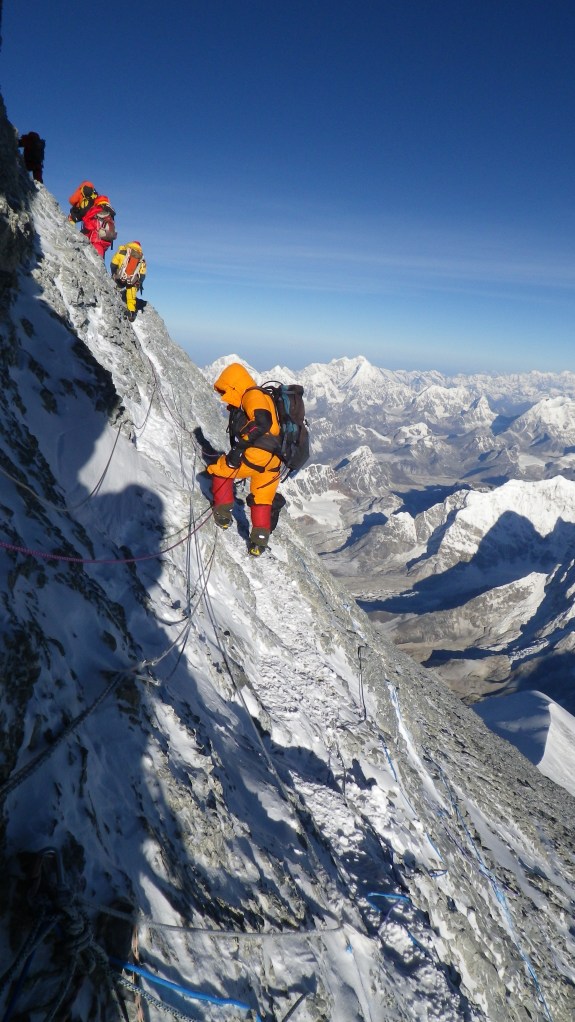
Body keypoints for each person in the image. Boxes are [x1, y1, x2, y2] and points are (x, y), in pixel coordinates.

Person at [206, 362, 285, 556]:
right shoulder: (265, 397)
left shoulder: (252, 395)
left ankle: (222, 515)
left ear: (234, 384)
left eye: (226, 390)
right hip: (275, 459)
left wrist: (238, 450)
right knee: (263, 498)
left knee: (221, 469)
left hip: (256, 454)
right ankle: (258, 543)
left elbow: (262, 421)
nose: (224, 396)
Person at [72, 192, 117, 258]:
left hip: (95, 241)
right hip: (104, 243)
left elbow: (88, 225)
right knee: (100, 262)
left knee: (94, 262)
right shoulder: (110, 215)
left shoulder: (97, 210)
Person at [110, 241, 146, 322]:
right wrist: (139, 283)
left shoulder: (122, 251)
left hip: (120, 277)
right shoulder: (141, 258)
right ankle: (131, 312)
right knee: (131, 296)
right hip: (132, 281)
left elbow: (113, 264)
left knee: (116, 287)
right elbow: (142, 274)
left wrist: (114, 273)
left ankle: (114, 298)